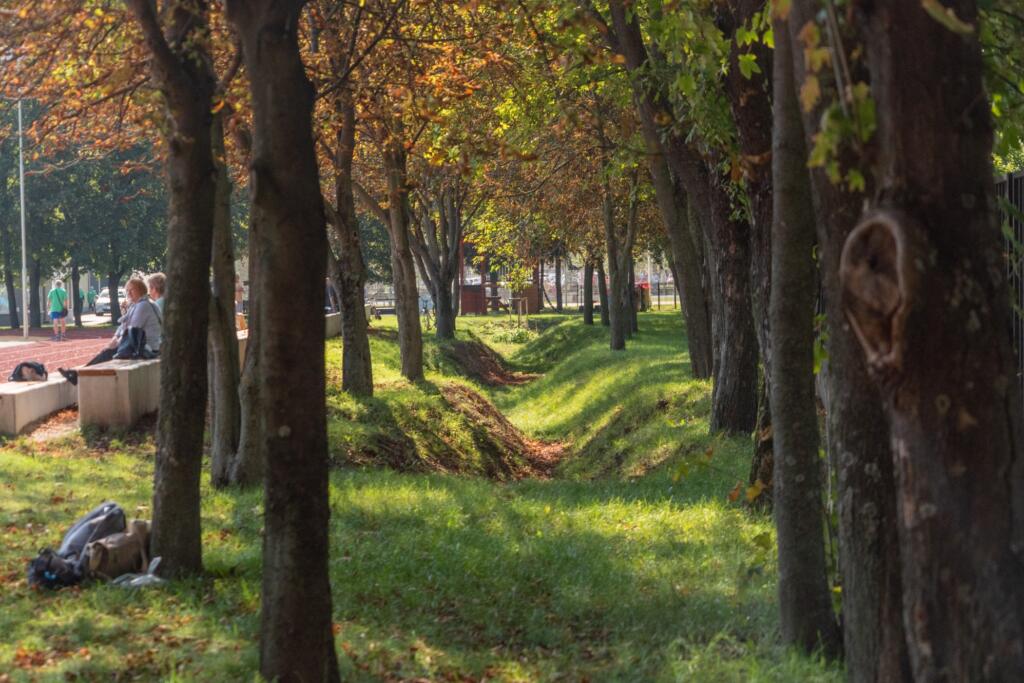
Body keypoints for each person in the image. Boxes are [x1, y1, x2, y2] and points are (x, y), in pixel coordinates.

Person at [58, 277, 161, 386]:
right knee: (108, 351)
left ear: (141, 290)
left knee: (107, 353)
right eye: (127, 290)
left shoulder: (143, 306)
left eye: (132, 290)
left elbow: (132, 329)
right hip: (141, 345)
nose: (129, 293)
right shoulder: (137, 304)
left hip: (147, 349)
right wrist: (115, 338)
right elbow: (123, 326)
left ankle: (78, 375)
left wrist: (116, 342)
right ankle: (78, 374)